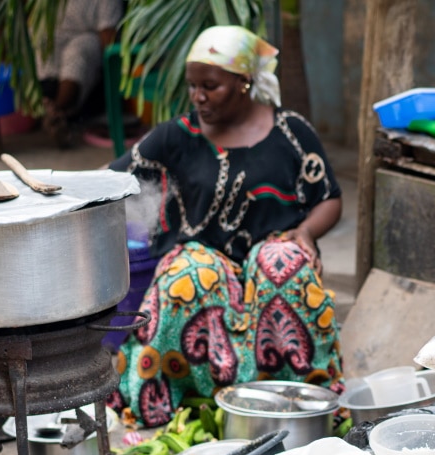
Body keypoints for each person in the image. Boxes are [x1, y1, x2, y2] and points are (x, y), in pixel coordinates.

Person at [107, 25, 344, 428]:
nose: (198, 97)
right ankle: (183, 402)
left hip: (272, 250)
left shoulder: (291, 131)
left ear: (244, 82)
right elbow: (112, 180)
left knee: (282, 266)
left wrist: (306, 233)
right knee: (188, 275)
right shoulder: (175, 137)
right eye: (193, 86)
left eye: (210, 86)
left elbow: (329, 197)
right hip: (203, 255)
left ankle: (301, 400)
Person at [34, 0, 123, 148]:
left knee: (78, 52)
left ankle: (58, 112)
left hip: (87, 40)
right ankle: (48, 108)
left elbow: (108, 38)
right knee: (42, 43)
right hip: (54, 40)